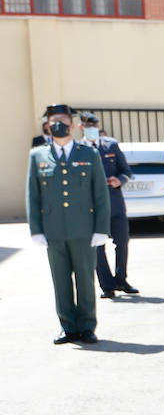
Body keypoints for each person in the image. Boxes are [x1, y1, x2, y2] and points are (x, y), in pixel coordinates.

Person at [26, 103, 111, 345]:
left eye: (63, 121)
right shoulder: (38, 155)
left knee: (85, 279)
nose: (58, 125)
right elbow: (32, 195)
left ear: (72, 126)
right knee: (60, 281)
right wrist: (36, 230)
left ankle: (86, 326)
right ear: (47, 126)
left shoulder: (89, 154)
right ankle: (67, 326)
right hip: (53, 232)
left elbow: (100, 195)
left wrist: (101, 229)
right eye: (53, 122)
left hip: (83, 230)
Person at [81, 112, 138, 299]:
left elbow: (126, 171)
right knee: (97, 247)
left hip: (115, 204)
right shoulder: (78, 149)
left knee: (122, 242)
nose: (91, 129)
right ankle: (107, 285)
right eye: (87, 125)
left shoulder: (111, 145)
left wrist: (119, 180)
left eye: (94, 125)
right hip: (92, 208)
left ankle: (121, 279)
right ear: (81, 127)